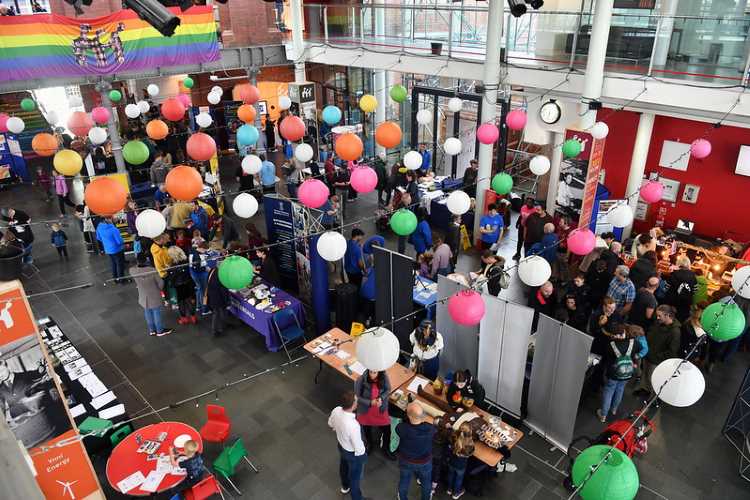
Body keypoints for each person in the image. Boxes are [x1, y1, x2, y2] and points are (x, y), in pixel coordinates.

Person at [328, 391, 369, 500]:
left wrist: (338, 428)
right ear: (353, 405)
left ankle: (345, 486)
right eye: (356, 401)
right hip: (352, 453)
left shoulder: (336, 410)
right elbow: (358, 447)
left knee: (343, 467)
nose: (357, 402)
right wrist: (363, 457)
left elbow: (330, 423)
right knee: (355, 478)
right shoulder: (353, 425)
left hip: (341, 446)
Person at [636, 305, 681, 399]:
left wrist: (655, 356)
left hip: (657, 360)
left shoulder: (675, 332)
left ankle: (653, 398)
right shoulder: (658, 322)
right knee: (645, 374)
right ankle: (645, 389)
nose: (657, 318)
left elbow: (672, 351)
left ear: (667, 316)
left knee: (653, 379)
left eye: (660, 316)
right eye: (657, 315)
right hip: (648, 354)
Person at [396, 402, 436, 500]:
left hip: (406, 460)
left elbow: (399, 427)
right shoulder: (430, 429)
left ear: (408, 415)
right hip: (424, 461)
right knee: (426, 482)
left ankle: (402, 497)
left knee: (404, 480)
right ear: (422, 415)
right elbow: (434, 427)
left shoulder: (402, 428)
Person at [597, 323, 636, 422]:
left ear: (613, 334)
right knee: (620, 389)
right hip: (627, 373)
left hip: (613, 373)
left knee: (609, 391)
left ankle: (603, 415)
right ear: (624, 332)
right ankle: (614, 409)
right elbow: (640, 350)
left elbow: (607, 358)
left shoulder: (611, 345)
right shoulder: (632, 342)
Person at [355, 370, 394, 460]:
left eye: (375, 373)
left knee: (387, 431)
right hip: (366, 410)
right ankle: (369, 444)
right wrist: (370, 402)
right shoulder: (361, 379)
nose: (372, 375)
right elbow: (357, 397)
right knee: (367, 430)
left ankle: (386, 448)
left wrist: (381, 398)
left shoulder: (384, 377)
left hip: (380, 409)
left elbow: (388, 389)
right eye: (371, 372)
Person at [130, 254, 173, 337]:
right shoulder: (152, 270)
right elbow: (160, 283)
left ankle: (152, 330)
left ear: (137, 261)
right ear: (146, 260)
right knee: (156, 312)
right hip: (154, 295)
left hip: (143, 296)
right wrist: (159, 289)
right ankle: (160, 330)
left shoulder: (132, 270)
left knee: (147, 312)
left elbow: (135, 268)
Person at [167, 246, 195, 324]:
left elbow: (171, 278)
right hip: (188, 282)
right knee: (189, 300)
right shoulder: (186, 261)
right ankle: (193, 317)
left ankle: (184, 318)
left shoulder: (172, 265)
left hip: (178, 285)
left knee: (181, 302)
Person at [664, 255, 697, 322]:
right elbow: (695, 291)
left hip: (672, 304)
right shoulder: (693, 276)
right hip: (685, 306)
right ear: (688, 263)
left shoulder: (673, 274)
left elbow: (666, 288)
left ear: (678, 263)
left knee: (668, 321)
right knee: (680, 322)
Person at [446, 423, 475, 499]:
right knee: (458, 479)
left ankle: (449, 489)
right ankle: (456, 494)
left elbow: (449, 445)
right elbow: (470, 454)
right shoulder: (470, 444)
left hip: (451, 461)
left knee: (450, 475)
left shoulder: (454, 437)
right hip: (461, 465)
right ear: (470, 432)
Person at [96, 218, 126, 283]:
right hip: (117, 249)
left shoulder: (99, 227)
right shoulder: (114, 229)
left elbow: (99, 238)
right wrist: (123, 241)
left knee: (113, 264)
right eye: (111, 218)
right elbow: (119, 241)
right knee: (119, 265)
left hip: (108, 249)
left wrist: (106, 242)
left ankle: (115, 279)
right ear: (107, 219)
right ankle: (122, 280)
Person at [205, 265, 230, 337]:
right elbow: (223, 290)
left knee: (217, 312)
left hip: (212, 295)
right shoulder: (221, 276)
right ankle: (216, 330)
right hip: (218, 298)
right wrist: (227, 301)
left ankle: (219, 327)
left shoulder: (213, 270)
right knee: (217, 313)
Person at [189, 241, 211, 316]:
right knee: (203, 291)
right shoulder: (197, 256)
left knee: (199, 289)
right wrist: (206, 269)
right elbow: (198, 268)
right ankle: (205, 309)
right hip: (199, 274)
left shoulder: (193, 251)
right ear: (201, 248)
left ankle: (198, 306)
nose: (205, 252)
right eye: (205, 250)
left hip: (193, 273)